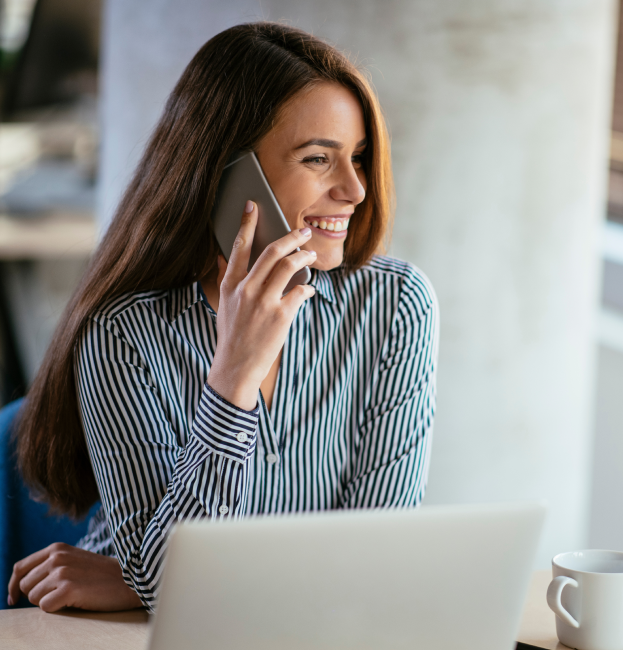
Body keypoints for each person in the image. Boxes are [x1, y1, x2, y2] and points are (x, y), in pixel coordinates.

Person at [7, 22, 438, 613]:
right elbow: (172, 586)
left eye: (358, 158)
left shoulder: (394, 307)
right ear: (229, 176)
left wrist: (132, 581)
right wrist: (233, 377)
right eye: (319, 159)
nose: (356, 190)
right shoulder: (123, 333)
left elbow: (377, 559)